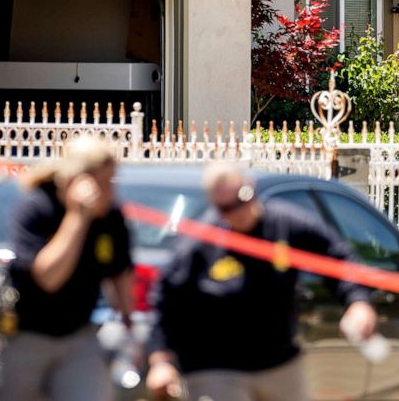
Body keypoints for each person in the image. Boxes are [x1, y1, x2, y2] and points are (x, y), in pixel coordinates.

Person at [145, 162, 377, 401]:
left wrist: (357, 301)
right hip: (216, 367)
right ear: (216, 206)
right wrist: (161, 361)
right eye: (227, 207)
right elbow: (166, 301)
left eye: (243, 198)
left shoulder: (285, 225)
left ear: (251, 187)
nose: (239, 211)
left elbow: (337, 256)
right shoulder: (200, 246)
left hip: (279, 363)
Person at [0, 137, 133, 401]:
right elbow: (48, 278)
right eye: (102, 183)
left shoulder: (111, 217)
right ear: (73, 180)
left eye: (112, 182)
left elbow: (120, 273)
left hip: (76, 335)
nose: (110, 192)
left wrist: (132, 329)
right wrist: (78, 217)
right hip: (24, 334)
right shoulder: (37, 207)